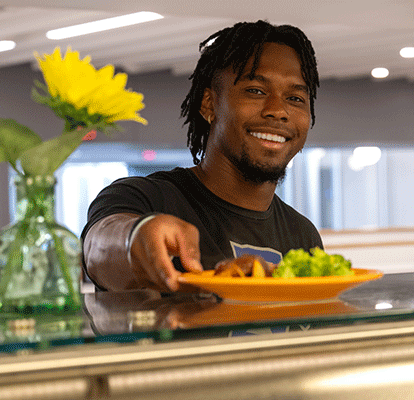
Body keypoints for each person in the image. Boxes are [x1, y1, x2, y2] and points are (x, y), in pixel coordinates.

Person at [82, 20, 322, 292]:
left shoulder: (302, 234)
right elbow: (98, 247)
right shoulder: (145, 198)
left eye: (296, 98)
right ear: (209, 104)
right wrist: (134, 239)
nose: (278, 110)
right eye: (256, 91)